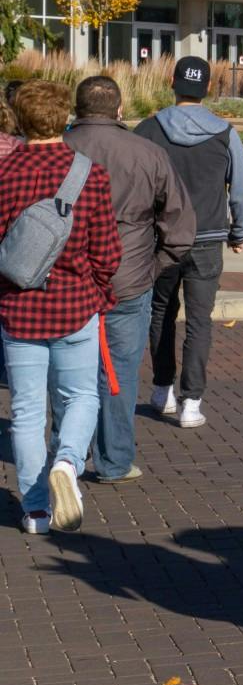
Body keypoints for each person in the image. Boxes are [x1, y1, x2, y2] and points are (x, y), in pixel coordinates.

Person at [0, 80, 120, 535]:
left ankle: (34, 511)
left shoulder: (5, 174)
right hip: (75, 304)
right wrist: (101, 290)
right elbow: (106, 251)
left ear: (20, 119)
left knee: (27, 410)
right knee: (81, 396)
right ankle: (68, 462)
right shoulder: (90, 174)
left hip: (19, 308)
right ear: (64, 117)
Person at [67, 76, 195, 485]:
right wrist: (153, 267)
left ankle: (64, 455)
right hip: (127, 278)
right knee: (117, 372)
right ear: (120, 110)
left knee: (65, 374)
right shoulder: (147, 153)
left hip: (64, 280)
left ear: (78, 108)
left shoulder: (57, 151)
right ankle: (114, 460)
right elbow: (179, 224)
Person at [135, 56, 243, 428]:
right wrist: (239, 232)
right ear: (208, 88)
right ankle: (192, 402)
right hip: (207, 238)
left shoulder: (148, 130)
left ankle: (161, 389)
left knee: (161, 314)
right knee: (199, 320)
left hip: (163, 238)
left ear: (172, 81)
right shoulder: (225, 132)